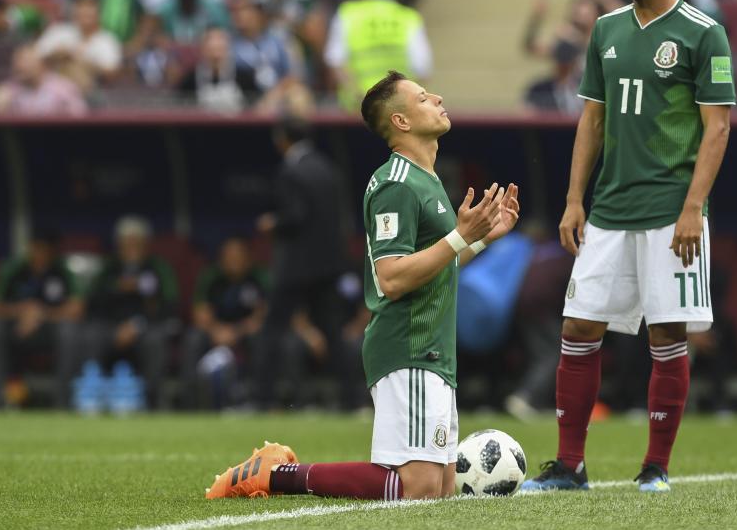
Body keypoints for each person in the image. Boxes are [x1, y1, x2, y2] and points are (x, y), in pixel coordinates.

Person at [206, 70, 520, 501]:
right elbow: (391, 277)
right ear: (402, 123)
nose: (439, 98)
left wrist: (483, 237)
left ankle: (280, 474)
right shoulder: (395, 183)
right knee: (420, 488)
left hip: (435, 350)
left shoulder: (426, 180)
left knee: (442, 489)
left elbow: (438, 263)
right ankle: (277, 475)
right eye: (424, 98)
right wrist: (460, 237)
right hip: (408, 344)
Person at [521, 0, 734, 494]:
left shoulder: (701, 32)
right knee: (577, 325)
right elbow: (591, 119)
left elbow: (716, 130)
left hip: (672, 211)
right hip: (609, 208)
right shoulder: (606, 30)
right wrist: (573, 200)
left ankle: (655, 467)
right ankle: (570, 467)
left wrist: (694, 207)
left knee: (667, 334)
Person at [252, 115, 350, 409]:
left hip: (295, 267)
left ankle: (260, 399)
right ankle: (353, 399)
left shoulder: (291, 171)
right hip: (328, 266)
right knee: (333, 333)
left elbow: (295, 216)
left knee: (271, 330)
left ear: (282, 139)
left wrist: (272, 223)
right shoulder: (328, 168)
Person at [83, 216, 178, 409]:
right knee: (90, 335)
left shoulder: (158, 268)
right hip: (110, 327)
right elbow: (92, 304)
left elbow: (169, 306)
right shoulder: (108, 269)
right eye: (127, 243)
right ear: (119, 245)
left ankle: (152, 401)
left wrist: (136, 325)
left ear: (146, 244)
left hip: (146, 327)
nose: (132, 248)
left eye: (137, 242)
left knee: (156, 339)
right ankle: (91, 397)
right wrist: (118, 289)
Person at [0, 229, 84, 408]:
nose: (40, 253)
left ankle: (63, 401)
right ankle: (0, 399)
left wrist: (42, 313)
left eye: (45, 249)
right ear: (30, 248)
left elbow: (77, 309)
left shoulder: (62, 271)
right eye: (37, 248)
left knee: (69, 332)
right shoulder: (14, 269)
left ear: (53, 251)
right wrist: (23, 311)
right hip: (18, 327)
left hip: (50, 328)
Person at [324, 0, 432, 112]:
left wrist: (358, 95)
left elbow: (335, 60)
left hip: (357, 110)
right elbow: (422, 67)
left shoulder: (347, 14)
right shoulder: (408, 17)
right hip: (397, 110)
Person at [181, 237, 268, 409]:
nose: (233, 260)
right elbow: (200, 313)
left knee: (263, 338)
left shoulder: (260, 277)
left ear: (248, 258)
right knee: (193, 337)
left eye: (238, 255)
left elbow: (264, 314)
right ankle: (190, 402)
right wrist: (216, 331)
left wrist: (236, 331)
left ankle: (260, 400)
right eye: (229, 255)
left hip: (246, 331)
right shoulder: (211, 277)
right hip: (215, 331)